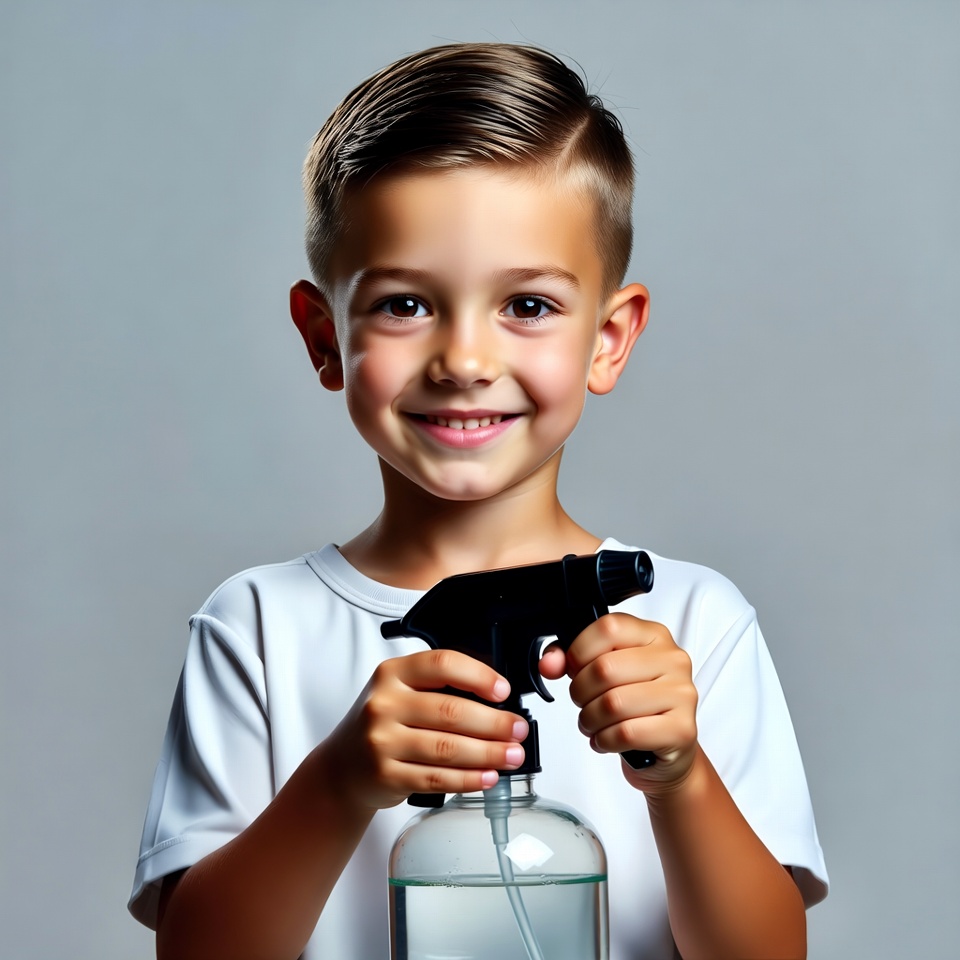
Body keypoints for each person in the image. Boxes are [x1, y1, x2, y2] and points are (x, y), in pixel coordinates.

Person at [129, 42, 827, 959]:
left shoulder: (692, 624)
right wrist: (338, 783)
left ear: (608, 339)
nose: (464, 361)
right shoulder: (259, 627)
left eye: (528, 306)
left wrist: (682, 777)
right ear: (323, 336)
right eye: (404, 306)